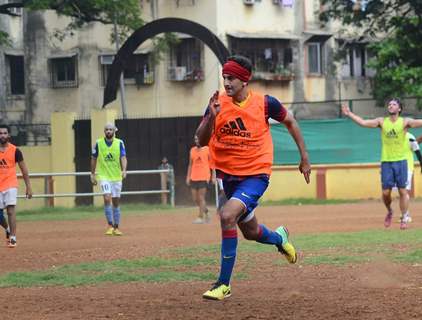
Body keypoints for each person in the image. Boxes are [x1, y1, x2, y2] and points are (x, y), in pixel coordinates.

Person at [196, 55, 311, 300]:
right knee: (250, 231)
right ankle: (280, 238)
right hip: (227, 178)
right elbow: (201, 140)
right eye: (225, 77)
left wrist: (304, 157)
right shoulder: (217, 103)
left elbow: (290, 121)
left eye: (232, 78)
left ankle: (223, 285)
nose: (226, 82)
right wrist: (211, 117)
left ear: (244, 80)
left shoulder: (265, 103)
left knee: (227, 216)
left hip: (256, 175)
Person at [342, 99, 422, 230]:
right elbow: (363, 123)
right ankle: (390, 211)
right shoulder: (381, 121)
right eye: (389, 104)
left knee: (403, 191)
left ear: (399, 109)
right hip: (387, 161)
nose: (390, 106)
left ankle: (404, 218)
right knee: (385, 193)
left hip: (401, 161)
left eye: (394, 104)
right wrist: (350, 114)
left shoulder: (405, 122)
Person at [91, 123, 127, 236]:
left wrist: (124, 170)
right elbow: (93, 158)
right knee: (107, 198)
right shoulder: (98, 143)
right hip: (104, 176)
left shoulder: (119, 143)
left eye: (110, 130)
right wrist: (92, 174)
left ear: (114, 131)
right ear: (104, 131)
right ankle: (110, 225)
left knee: (116, 202)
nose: (108, 131)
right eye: (106, 129)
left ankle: (116, 227)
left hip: (116, 177)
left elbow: (123, 157)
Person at [0, 124, 32, 247]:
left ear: (8, 135)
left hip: (10, 184)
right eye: (0, 133)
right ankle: (7, 228)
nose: (2, 135)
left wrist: (29, 187)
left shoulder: (15, 150)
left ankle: (13, 237)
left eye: (4, 133)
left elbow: (24, 170)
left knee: (10, 211)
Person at [186, 135, 214, 224]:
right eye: (195, 139)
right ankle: (207, 212)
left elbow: (212, 164)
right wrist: (188, 177)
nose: (197, 140)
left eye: (198, 139)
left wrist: (213, 177)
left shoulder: (207, 149)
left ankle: (200, 217)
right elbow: (190, 165)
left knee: (201, 197)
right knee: (195, 199)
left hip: (204, 177)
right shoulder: (192, 150)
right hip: (194, 177)